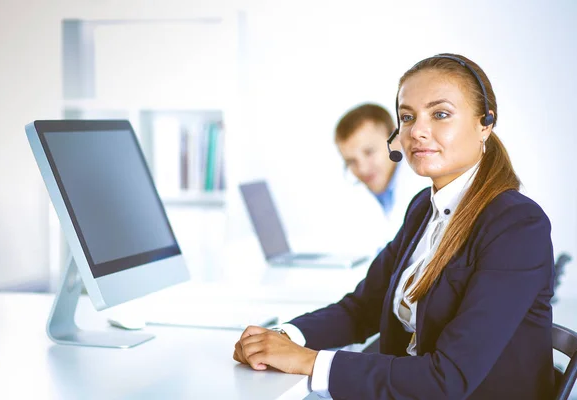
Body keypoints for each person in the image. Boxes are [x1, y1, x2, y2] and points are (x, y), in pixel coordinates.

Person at [233, 53, 555, 399]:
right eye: (407, 117)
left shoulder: (517, 226)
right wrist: (285, 337)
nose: (416, 131)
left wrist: (310, 362)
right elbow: (364, 308)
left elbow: (447, 378)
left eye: (440, 114)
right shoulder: (422, 208)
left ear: (485, 123)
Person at [333, 103, 430, 251]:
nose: (363, 169)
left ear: (396, 140)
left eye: (369, 152)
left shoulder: (423, 185)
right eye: (351, 161)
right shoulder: (376, 191)